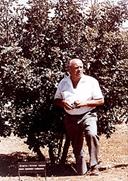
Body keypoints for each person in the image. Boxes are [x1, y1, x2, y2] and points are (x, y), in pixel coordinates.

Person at [54, 58, 104, 175]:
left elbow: (100, 100)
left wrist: (84, 103)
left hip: (88, 114)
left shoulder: (91, 81)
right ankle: (81, 168)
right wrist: (63, 103)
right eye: (76, 67)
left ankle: (94, 166)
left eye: (81, 67)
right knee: (76, 144)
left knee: (91, 134)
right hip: (70, 117)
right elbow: (56, 100)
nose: (79, 69)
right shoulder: (63, 83)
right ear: (69, 69)